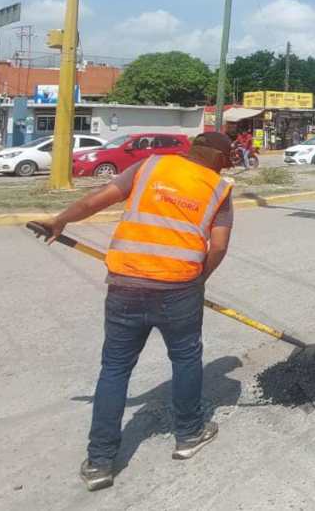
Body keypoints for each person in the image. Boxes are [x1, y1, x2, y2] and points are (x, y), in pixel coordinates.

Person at [40, 132, 235, 492]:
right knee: (186, 359)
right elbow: (219, 246)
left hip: (125, 285)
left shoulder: (151, 166)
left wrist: (61, 220)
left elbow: (101, 199)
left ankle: (99, 462)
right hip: (179, 290)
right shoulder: (218, 188)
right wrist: (199, 279)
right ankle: (189, 435)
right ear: (220, 160)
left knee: (115, 368)